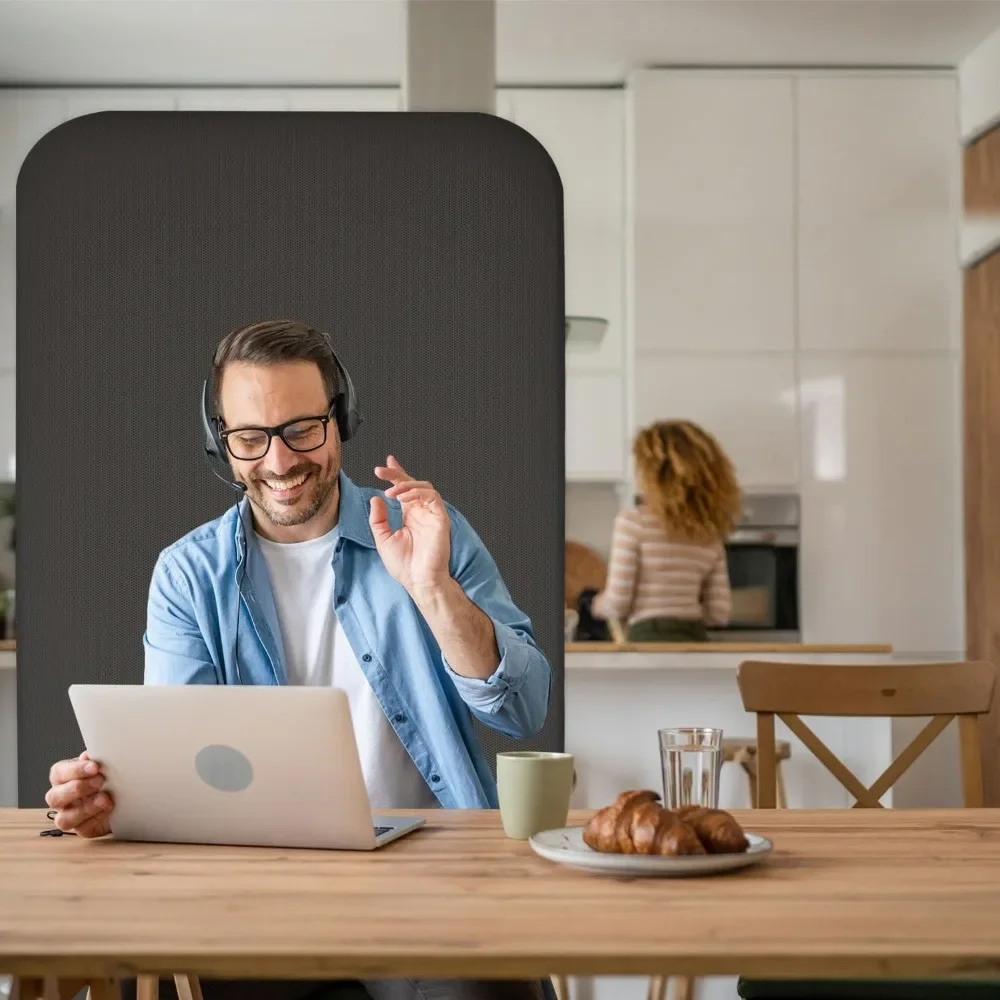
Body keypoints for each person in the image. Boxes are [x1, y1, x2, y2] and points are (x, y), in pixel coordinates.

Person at [43, 319, 553, 1000]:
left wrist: (433, 590)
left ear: (341, 421)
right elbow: (174, 772)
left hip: (436, 886)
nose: (279, 462)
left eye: (301, 430)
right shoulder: (188, 575)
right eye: (249, 438)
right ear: (220, 441)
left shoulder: (429, 530)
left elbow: (524, 711)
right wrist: (109, 797)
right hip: (259, 898)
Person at [584, 419, 740, 643]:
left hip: (647, 642)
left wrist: (593, 604)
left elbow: (618, 604)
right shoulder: (709, 532)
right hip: (697, 642)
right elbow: (719, 613)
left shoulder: (633, 522)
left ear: (652, 474)